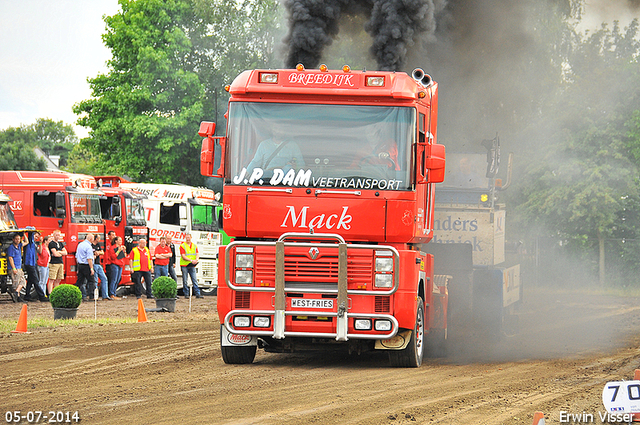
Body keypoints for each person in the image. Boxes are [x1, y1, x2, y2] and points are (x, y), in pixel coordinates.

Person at [24, 231, 47, 302]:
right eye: (35, 236)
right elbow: (30, 237)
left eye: (37, 237)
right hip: (29, 263)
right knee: (36, 280)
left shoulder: (34, 244)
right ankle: (42, 296)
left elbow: (39, 252)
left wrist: (40, 242)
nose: (36, 238)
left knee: (30, 281)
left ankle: (27, 295)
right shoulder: (30, 242)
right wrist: (30, 232)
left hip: (33, 263)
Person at [180, 233, 202, 298]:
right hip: (184, 265)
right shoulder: (182, 245)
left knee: (194, 279)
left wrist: (196, 260)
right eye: (186, 237)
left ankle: (197, 294)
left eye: (189, 237)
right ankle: (186, 294)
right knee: (185, 280)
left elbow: (197, 254)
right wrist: (191, 260)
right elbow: (183, 256)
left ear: (191, 237)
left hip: (192, 265)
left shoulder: (194, 245)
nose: (188, 239)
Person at [75, 233, 96, 301]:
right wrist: (91, 268)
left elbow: (77, 256)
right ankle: (91, 296)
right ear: (90, 239)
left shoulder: (80, 244)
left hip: (80, 264)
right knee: (91, 281)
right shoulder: (88, 246)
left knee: (79, 281)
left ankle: (75, 294)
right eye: (93, 238)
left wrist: (78, 267)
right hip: (86, 265)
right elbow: (89, 258)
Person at [7, 233, 26, 302]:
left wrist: (24, 234)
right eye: (16, 239)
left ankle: (16, 293)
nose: (18, 240)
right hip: (14, 267)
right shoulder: (11, 248)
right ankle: (17, 297)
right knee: (16, 282)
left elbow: (26, 242)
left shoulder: (19, 246)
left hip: (19, 267)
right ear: (13, 240)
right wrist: (14, 268)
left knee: (23, 281)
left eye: (19, 239)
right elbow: (10, 258)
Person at [92, 234, 110, 300]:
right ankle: (95, 296)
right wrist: (96, 253)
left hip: (99, 264)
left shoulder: (98, 245)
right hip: (94, 264)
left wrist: (98, 252)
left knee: (104, 279)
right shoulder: (91, 245)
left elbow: (102, 252)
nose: (100, 239)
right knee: (95, 280)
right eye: (99, 238)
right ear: (96, 238)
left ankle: (105, 295)